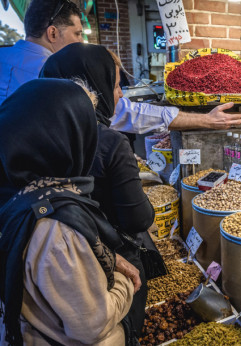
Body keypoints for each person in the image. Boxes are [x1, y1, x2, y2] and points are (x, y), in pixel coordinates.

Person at [0, 78, 138, 345]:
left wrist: (107, 257)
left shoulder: (20, 194)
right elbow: (91, 326)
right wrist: (123, 281)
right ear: (69, 138)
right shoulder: (57, 229)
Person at [40, 42, 159, 340]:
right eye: (116, 85)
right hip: (112, 269)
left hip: (59, 277)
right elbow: (137, 219)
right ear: (95, 87)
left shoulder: (41, 136)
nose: (119, 94)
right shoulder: (109, 142)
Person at [0, 0, 241, 131]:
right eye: (77, 34)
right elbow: (123, 113)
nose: (81, 41)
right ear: (53, 33)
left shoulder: (5, 59)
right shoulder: (54, 78)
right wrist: (206, 120)